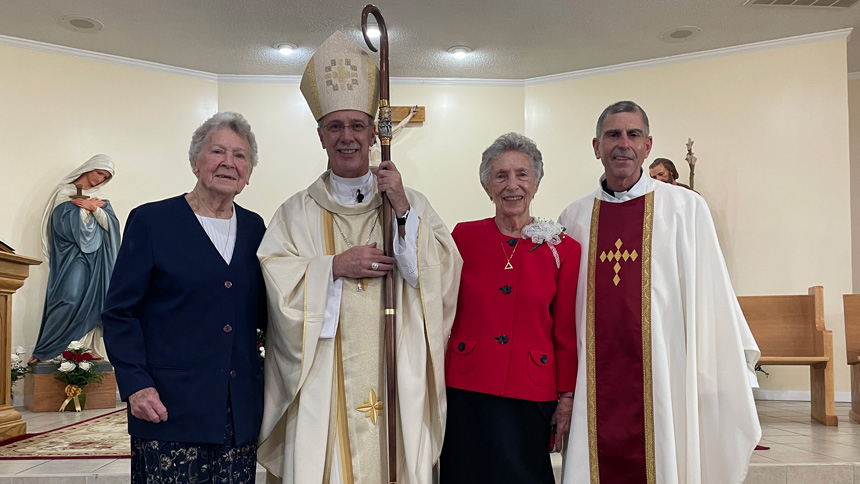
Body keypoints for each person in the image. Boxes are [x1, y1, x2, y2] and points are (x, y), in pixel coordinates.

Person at [256, 30, 462, 484]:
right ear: (320, 135)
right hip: (323, 374)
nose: (347, 137)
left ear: (375, 132)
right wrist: (332, 267)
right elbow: (274, 274)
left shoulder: (412, 202)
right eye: (335, 126)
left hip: (396, 363)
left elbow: (442, 275)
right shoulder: (295, 212)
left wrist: (404, 212)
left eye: (356, 125)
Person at [558, 101, 760, 484]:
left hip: (664, 374)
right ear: (596, 146)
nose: (623, 143)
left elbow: (710, 292)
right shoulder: (575, 218)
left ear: (647, 145)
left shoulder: (685, 208)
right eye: (612, 135)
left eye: (633, 135)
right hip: (593, 378)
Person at [102, 112, 267, 483]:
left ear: (250, 171)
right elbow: (119, 313)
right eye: (217, 152)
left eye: (240, 156)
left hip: (236, 412)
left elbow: (269, 311)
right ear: (195, 161)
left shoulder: (256, 228)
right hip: (167, 407)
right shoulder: (151, 222)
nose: (229, 163)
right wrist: (136, 385)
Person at [440, 133, 579, 483]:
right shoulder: (464, 237)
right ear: (488, 185)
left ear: (536, 183)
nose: (512, 185)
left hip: (531, 388)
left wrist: (566, 397)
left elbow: (564, 328)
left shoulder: (563, 248)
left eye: (522, 174)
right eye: (500, 176)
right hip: (467, 386)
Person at [30, 154, 120, 364]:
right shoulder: (65, 193)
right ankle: (48, 349)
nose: (99, 180)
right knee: (68, 297)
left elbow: (112, 228)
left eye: (105, 177)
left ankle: (84, 347)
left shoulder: (100, 200)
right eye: (99, 173)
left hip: (97, 258)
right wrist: (81, 210)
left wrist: (94, 209)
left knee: (96, 300)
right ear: (89, 168)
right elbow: (60, 226)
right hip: (72, 256)